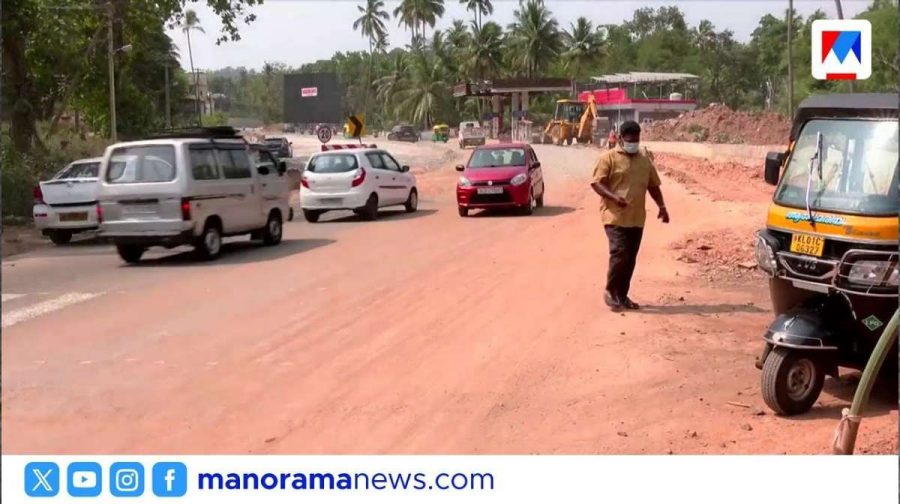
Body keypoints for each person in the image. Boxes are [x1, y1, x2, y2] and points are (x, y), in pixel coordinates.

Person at [590, 120, 669, 311]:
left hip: (636, 218)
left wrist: (662, 206)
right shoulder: (608, 158)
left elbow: (653, 186)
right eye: (630, 139)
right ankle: (610, 291)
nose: (633, 142)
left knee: (630, 258)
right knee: (620, 252)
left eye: (636, 139)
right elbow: (596, 183)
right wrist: (613, 197)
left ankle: (622, 295)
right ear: (620, 138)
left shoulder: (644, 161)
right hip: (614, 216)